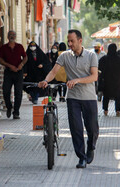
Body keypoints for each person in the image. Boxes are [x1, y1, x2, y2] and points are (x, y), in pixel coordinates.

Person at [39, 29, 99, 169]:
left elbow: (94, 76)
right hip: (73, 98)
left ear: (80, 40)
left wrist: (77, 80)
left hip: (89, 97)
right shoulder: (65, 56)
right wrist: (45, 80)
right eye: (68, 41)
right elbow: (54, 71)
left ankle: (91, 147)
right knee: (76, 128)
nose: (69, 44)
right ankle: (81, 158)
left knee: (93, 129)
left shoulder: (91, 56)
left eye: (72, 41)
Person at [0, 31, 28, 119]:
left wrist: (21, 64)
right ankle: (9, 107)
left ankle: (16, 112)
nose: (12, 36)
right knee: (5, 91)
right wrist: (9, 65)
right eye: (10, 35)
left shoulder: (19, 46)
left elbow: (25, 57)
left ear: (15, 36)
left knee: (18, 93)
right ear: (7, 36)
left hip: (18, 72)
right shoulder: (4, 48)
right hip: (8, 72)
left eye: (14, 35)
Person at [99, 43, 120, 117]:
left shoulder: (104, 59)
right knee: (118, 96)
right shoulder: (119, 58)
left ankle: (105, 111)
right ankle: (117, 111)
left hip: (106, 81)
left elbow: (99, 70)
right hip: (117, 81)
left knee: (106, 96)